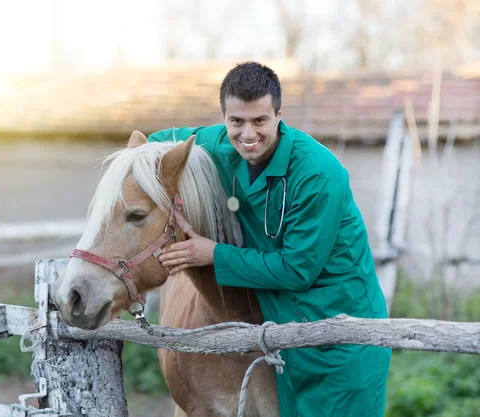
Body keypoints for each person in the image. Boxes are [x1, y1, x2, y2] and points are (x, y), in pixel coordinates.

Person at [148, 61, 391, 417]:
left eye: (260, 120)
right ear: (224, 118)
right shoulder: (218, 143)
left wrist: (214, 254)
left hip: (339, 330)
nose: (248, 134)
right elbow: (156, 144)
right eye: (237, 122)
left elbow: (297, 269)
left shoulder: (317, 174)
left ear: (279, 115)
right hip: (280, 322)